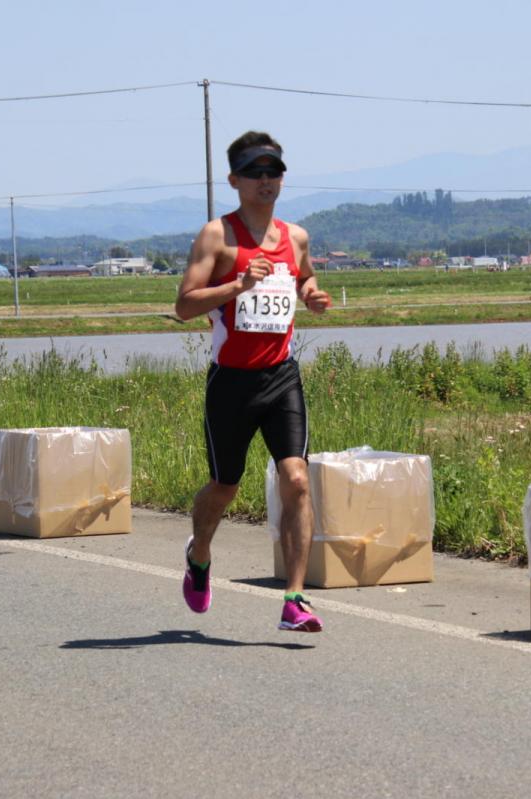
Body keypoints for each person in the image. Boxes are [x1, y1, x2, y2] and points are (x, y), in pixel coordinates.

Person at [174, 131, 332, 632]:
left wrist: (311, 293)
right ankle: (199, 556)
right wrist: (237, 285)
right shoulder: (216, 236)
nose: (267, 181)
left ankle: (295, 599)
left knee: (298, 480)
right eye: (256, 172)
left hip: (281, 375)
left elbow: (302, 275)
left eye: (275, 172)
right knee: (224, 487)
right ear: (235, 180)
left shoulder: (296, 237)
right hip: (231, 383)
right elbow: (183, 307)